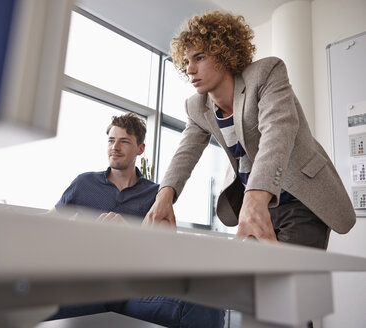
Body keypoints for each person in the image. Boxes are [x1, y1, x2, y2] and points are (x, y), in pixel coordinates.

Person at [143, 10, 356, 249]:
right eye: (186, 62)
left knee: (291, 279)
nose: (190, 69)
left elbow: (278, 130)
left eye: (199, 57)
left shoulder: (266, 73)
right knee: (255, 280)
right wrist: (164, 196)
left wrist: (255, 195)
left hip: (300, 198)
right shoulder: (196, 106)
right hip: (256, 202)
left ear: (224, 54)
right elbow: (185, 153)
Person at [48, 112, 225, 327]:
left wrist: (133, 234)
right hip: (86, 287)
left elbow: (166, 251)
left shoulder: (156, 195)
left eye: (124, 142)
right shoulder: (83, 183)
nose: (115, 147)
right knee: (26, 296)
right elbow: (48, 225)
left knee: (207, 299)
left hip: (134, 290)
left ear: (140, 149)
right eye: (111, 141)